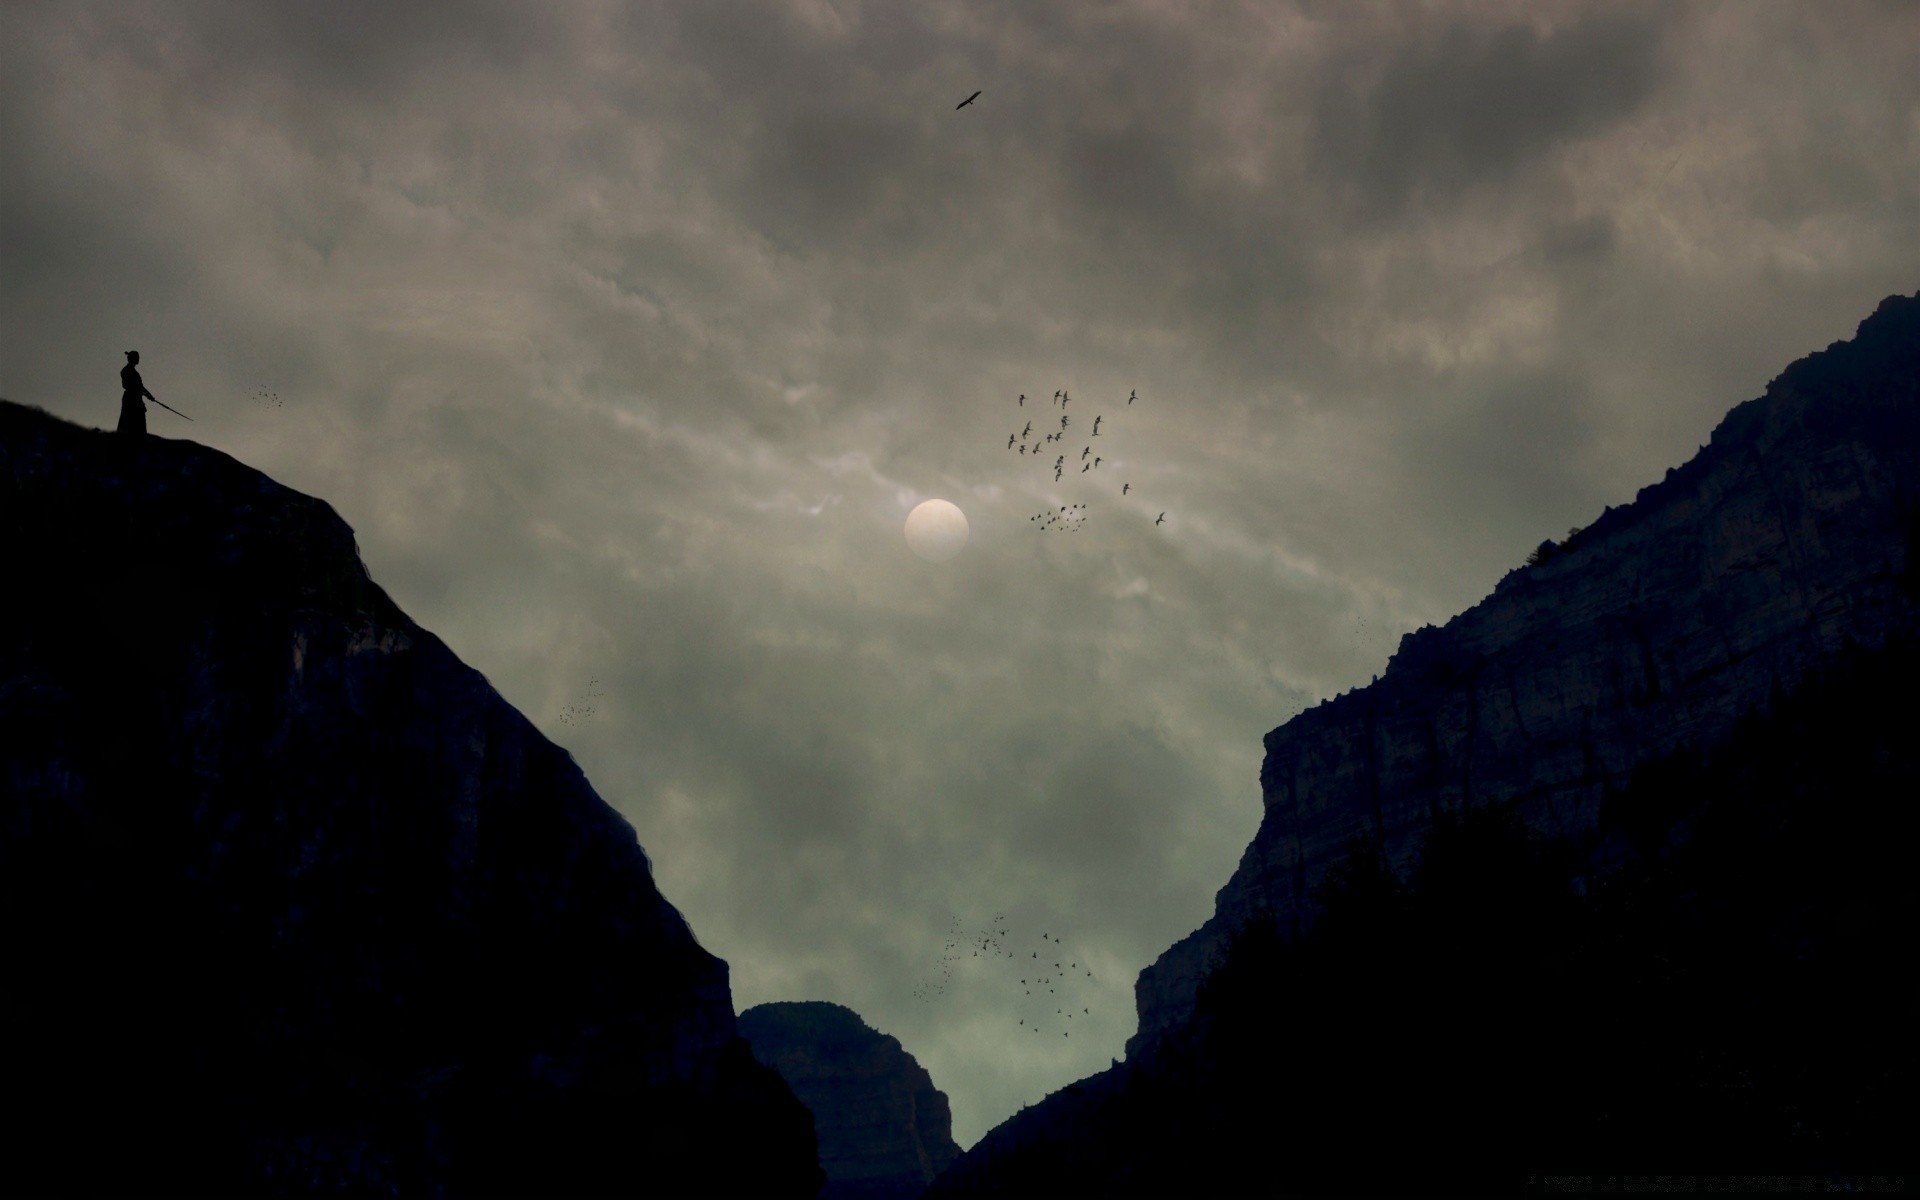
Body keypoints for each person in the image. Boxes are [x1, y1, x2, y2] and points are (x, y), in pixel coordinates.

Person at [119, 350, 155, 435]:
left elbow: (140, 386)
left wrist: (148, 394)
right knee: (129, 420)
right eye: (137, 357)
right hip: (131, 399)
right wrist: (141, 392)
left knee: (139, 421)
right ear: (132, 359)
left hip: (137, 398)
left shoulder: (135, 373)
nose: (139, 359)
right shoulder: (126, 370)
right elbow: (126, 385)